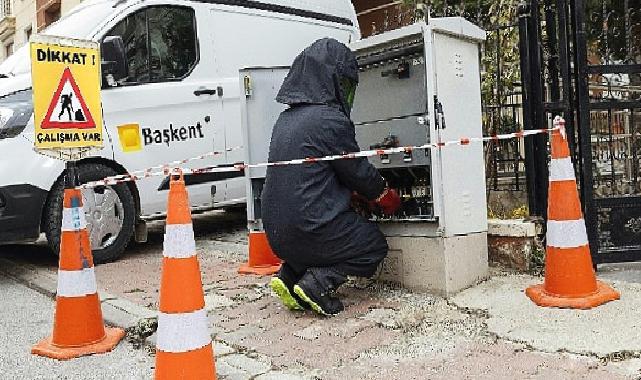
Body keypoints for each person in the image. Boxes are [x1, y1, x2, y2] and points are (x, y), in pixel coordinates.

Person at [261, 38, 401, 316]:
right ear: (333, 81)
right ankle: (318, 284)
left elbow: (312, 178)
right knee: (372, 245)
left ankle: (289, 278)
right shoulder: (329, 119)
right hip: (309, 228)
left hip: (277, 235)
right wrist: (385, 197)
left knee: (313, 239)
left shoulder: (285, 120)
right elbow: (357, 173)